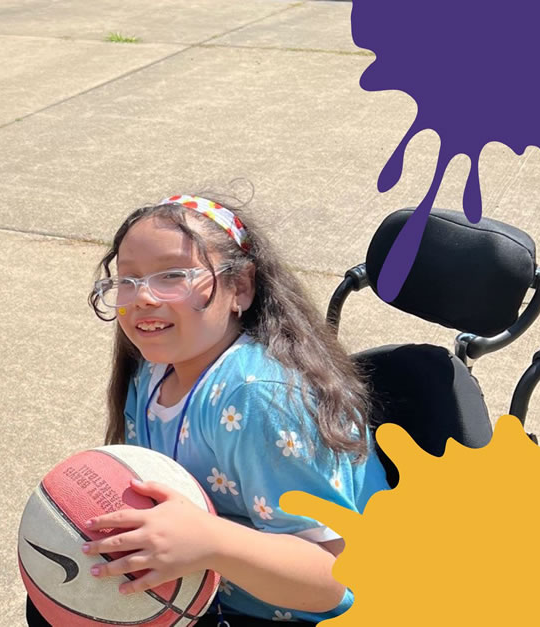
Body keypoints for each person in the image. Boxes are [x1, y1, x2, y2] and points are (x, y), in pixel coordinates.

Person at [30, 194, 389, 626]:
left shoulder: (259, 397)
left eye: (173, 276)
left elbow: (334, 582)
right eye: (128, 279)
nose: (142, 297)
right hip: (214, 593)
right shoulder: (150, 371)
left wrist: (209, 541)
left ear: (240, 287)